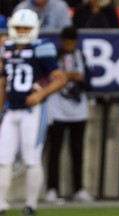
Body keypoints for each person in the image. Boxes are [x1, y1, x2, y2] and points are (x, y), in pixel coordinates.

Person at [0, 9, 67, 216]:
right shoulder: (7, 48)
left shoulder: (42, 47)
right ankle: (1, 204)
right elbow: (3, 81)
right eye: (18, 27)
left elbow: (60, 77)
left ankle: (31, 206)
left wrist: (41, 94)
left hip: (33, 110)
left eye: (25, 28)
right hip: (12, 109)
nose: (21, 31)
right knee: (3, 159)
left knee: (31, 158)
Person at [44, 26, 93, 203]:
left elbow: (90, 84)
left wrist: (80, 79)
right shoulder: (53, 57)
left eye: (72, 42)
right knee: (54, 151)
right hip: (57, 108)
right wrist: (65, 76)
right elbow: (46, 79)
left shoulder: (81, 56)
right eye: (66, 42)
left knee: (77, 150)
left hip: (78, 110)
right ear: (62, 41)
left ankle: (78, 188)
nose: (69, 45)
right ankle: (52, 189)